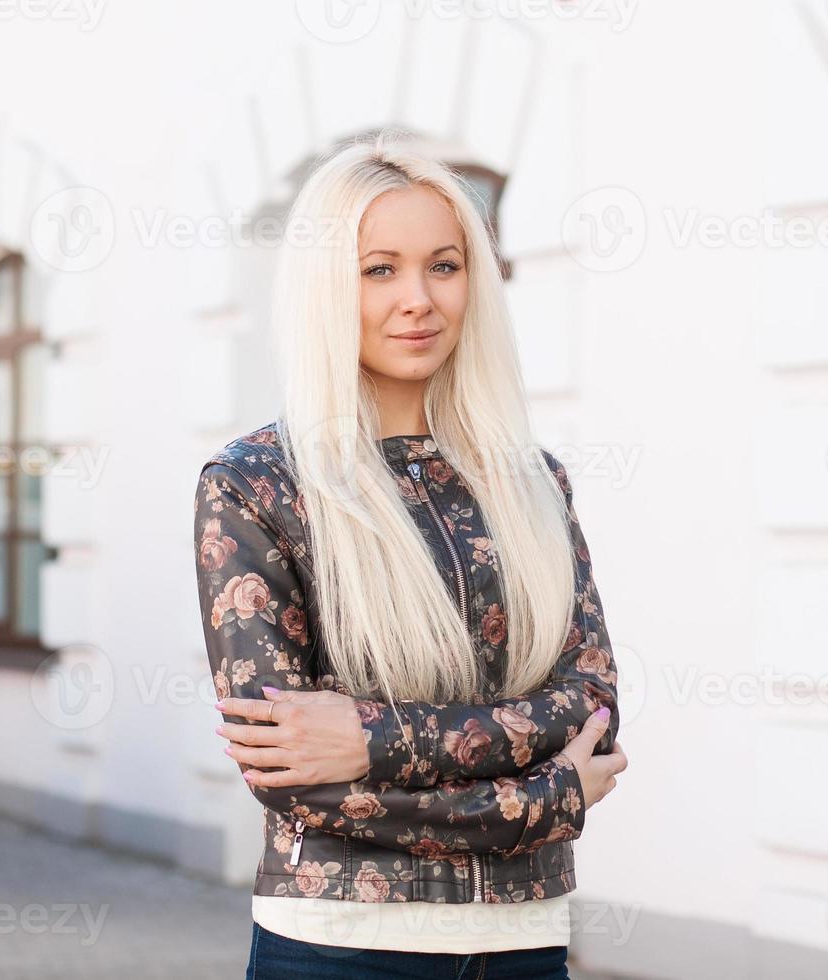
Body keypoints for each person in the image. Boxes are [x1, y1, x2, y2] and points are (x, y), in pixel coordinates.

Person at [192, 129, 628, 980]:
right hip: (339, 947)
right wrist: (549, 796)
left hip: (524, 944)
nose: (418, 299)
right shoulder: (255, 486)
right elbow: (295, 780)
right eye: (379, 269)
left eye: (446, 264)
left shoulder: (534, 481)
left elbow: (592, 710)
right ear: (327, 286)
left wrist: (369, 738)